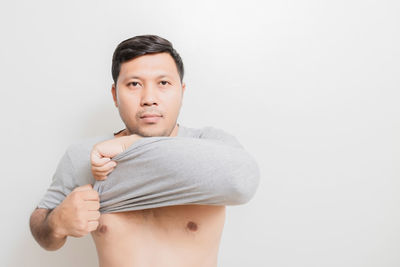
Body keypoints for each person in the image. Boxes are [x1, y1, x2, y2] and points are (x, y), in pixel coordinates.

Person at [29, 35, 260, 267]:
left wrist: (129, 145)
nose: (149, 99)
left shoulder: (212, 145)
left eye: (163, 83)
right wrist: (56, 223)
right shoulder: (82, 155)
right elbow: (42, 229)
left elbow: (243, 182)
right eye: (134, 84)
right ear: (114, 95)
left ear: (181, 91)